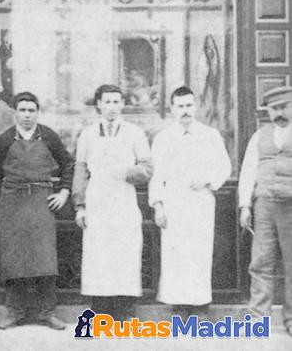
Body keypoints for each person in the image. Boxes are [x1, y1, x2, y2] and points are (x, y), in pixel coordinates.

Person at [0, 91, 73, 331]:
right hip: (12, 201)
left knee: (45, 258)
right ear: (15, 113)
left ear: (37, 112)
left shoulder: (48, 136)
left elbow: (68, 164)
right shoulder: (5, 139)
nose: (26, 115)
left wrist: (64, 192)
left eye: (31, 110)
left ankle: (48, 312)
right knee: (14, 258)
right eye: (22, 110)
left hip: (41, 201)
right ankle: (15, 311)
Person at [72, 83, 152, 321]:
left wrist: (126, 171)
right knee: (98, 255)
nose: (112, 107)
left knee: (125, 253)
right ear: (98, 104)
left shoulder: (134, 133)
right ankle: (101, 310)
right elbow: (80, 171)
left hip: (124, 200)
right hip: (97, 200)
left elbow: (148, 169)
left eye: (117, 101)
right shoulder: (87, 134)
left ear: (123, 104)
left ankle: (125, 310)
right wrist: (80, 206)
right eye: (107, 102)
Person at [149, 86, 231, 315]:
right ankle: (179, 305)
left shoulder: (210, 135)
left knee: (198, 254)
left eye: (189, 105)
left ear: (196, 106)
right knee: (175, 255)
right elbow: (156, 175)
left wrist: (207, 180)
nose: (185, 111)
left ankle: (200, 305)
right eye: (180, 106)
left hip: (200, 203)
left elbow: (224, 167)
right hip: (174, 203)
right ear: (172, 109)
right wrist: (158, 206)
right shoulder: (163, 138)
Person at [238, 84, 292, 335]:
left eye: (284, 107)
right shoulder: (259, 136)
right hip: (264, 206)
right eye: (274, 109)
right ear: (268, 111)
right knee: (261, 261)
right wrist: (245, 205)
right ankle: (258, 317)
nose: (279, 113)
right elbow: (248, 171)